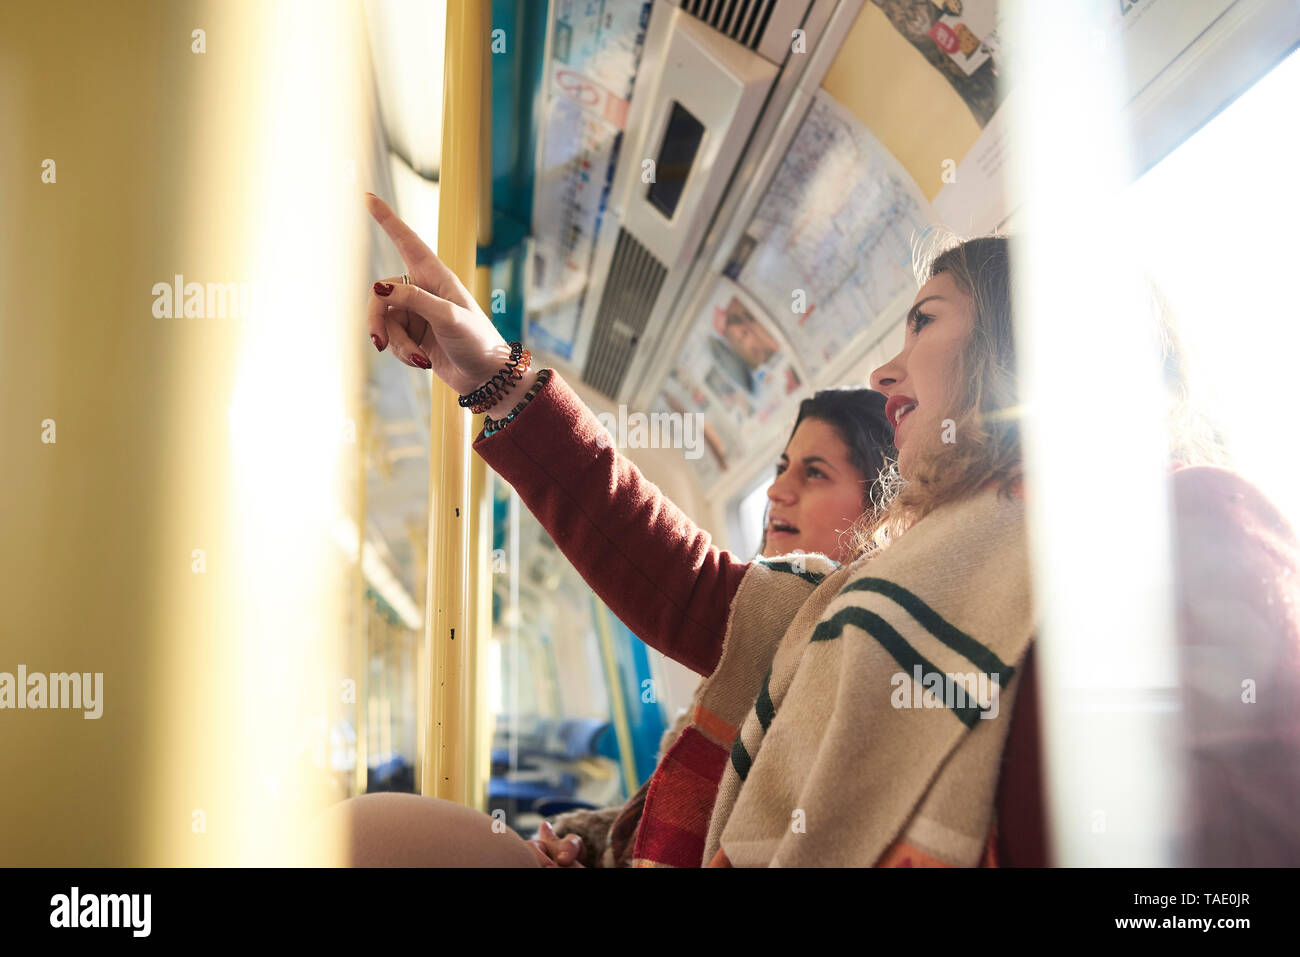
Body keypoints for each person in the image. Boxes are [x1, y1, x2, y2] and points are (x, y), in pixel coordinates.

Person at [319, 194, 1300, 867]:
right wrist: (488, 373)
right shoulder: (891, 576)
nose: (883, 371)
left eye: (923, 320)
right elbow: (694, 589)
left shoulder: (1187, 523)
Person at [534, 387, 897, 867]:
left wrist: (505, 387)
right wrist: (584, 842)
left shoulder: (839, 625)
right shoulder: (751, 655)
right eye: (781, 467)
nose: (776, 491)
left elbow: (657, 556)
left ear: (883, 505)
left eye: (814, 473)